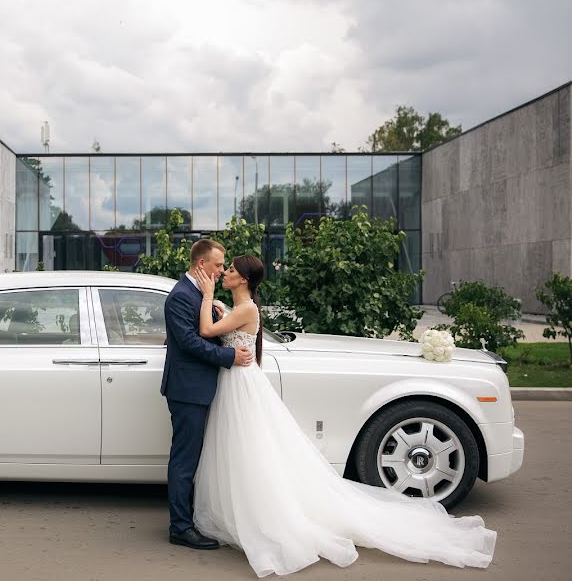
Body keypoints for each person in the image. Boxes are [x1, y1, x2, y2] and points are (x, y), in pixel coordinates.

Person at [191, 255, 497, 577]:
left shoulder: (246, 309)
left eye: (230, 270)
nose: (224, 273)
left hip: (241, 385)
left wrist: (209, 295)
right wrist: (218, 305)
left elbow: (207, 330)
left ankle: (258, 514)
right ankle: (241, 509)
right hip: (237, 381)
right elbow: (223, 325)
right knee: (240, 450)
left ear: (243, 279)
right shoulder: (241, 308)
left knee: (250, 450)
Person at [161, 239, 254, 550]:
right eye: (217, 265)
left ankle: (191, 520)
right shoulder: (180, 296)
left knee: (193, 456)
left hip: (201, 386)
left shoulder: (199, 295)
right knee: (184, 459)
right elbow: (189, 342)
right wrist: (229, 358)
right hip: (188, 389)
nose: (220, 271)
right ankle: (180, 528)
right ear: (201, 264)